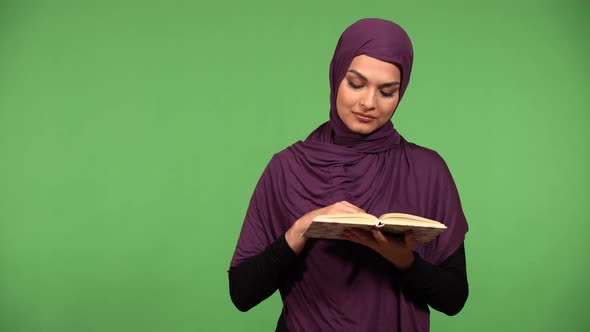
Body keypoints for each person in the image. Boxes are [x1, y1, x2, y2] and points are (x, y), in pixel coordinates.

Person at [228, 18, 469, 332]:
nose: (368, 103)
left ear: (402, 92)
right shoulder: (287, 168)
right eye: (356, 83)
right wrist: (303, 228)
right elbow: (242, 293)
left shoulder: (427, 170)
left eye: (387, 91)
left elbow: (453, 299)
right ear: (336, 74)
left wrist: (400, 258)